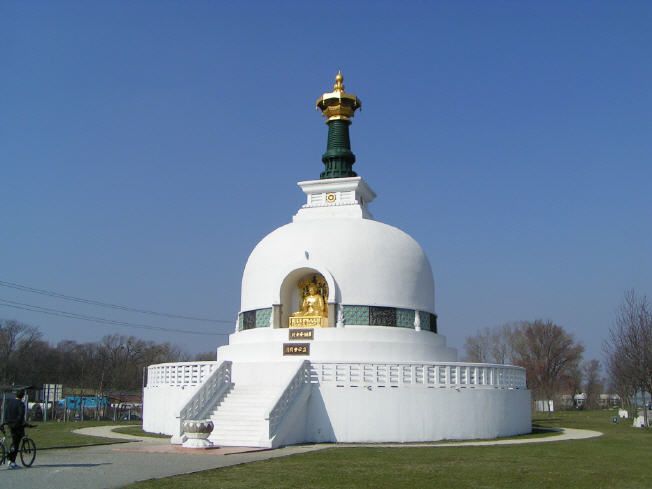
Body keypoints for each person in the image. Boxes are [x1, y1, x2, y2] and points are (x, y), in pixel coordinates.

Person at [3, 390, 26, 469]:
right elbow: (21, 416)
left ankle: (9, 457)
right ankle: (12, 461)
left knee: (11, 441)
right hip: (16, 426)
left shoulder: (9, 403)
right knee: (15, 444)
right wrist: (21, 424)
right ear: (22, 397)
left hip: (8, 424)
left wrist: (6, 421)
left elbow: (5, 412)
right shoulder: (21, 404)